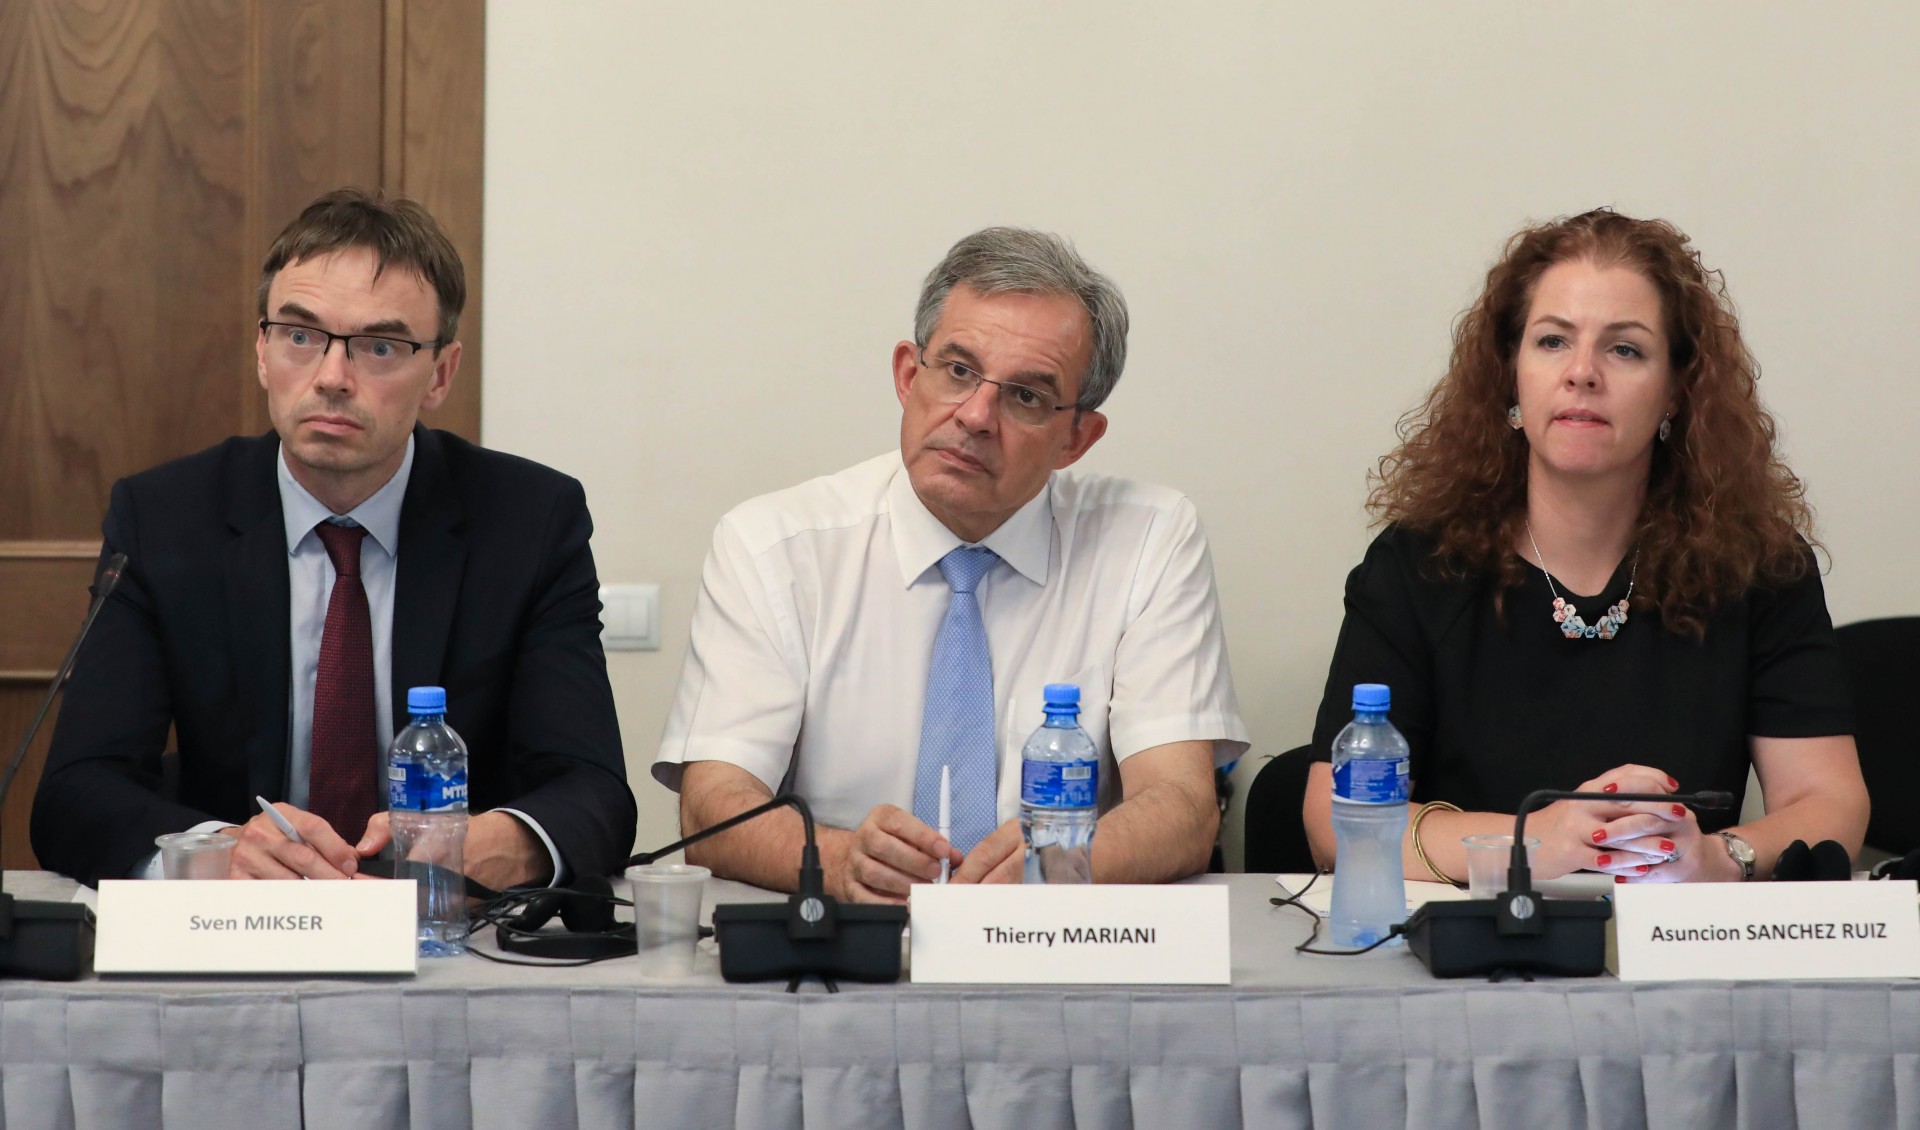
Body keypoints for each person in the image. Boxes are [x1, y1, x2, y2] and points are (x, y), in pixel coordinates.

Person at [32, 188, 637, 888]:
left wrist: (498, 844)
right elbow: (76, 792)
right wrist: (216, 851)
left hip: (445, 924)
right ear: (263, 352)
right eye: (300, 336)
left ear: (440, 374)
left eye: (380, 347)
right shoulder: (164, 517)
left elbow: (594, 792)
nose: (331, 378)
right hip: (244, 921)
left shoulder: (529, 521)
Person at [654, 227, 1248, 903]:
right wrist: (840, 862)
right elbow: (714, 809)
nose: (976, 416)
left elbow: (1182, 807)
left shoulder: (1148, 540)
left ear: (1076, 438)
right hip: (848, 941)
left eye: (1027, 396)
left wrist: (1057, 863)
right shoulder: (773, 546)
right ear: (909, 377)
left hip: (1052, 936)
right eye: (959, 372)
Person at [1277, 208, 1867, 884]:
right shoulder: (1418, 564)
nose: (1582, 372)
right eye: (1553, 341)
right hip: (1474, 935)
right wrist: (1534, 842)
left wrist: (1717, 855)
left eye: (1625, 350)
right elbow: (1336, 822)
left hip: (1672, 937)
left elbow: (1829, 804)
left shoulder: (1759, 567)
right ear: (1510, 373)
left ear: (1677, 392)